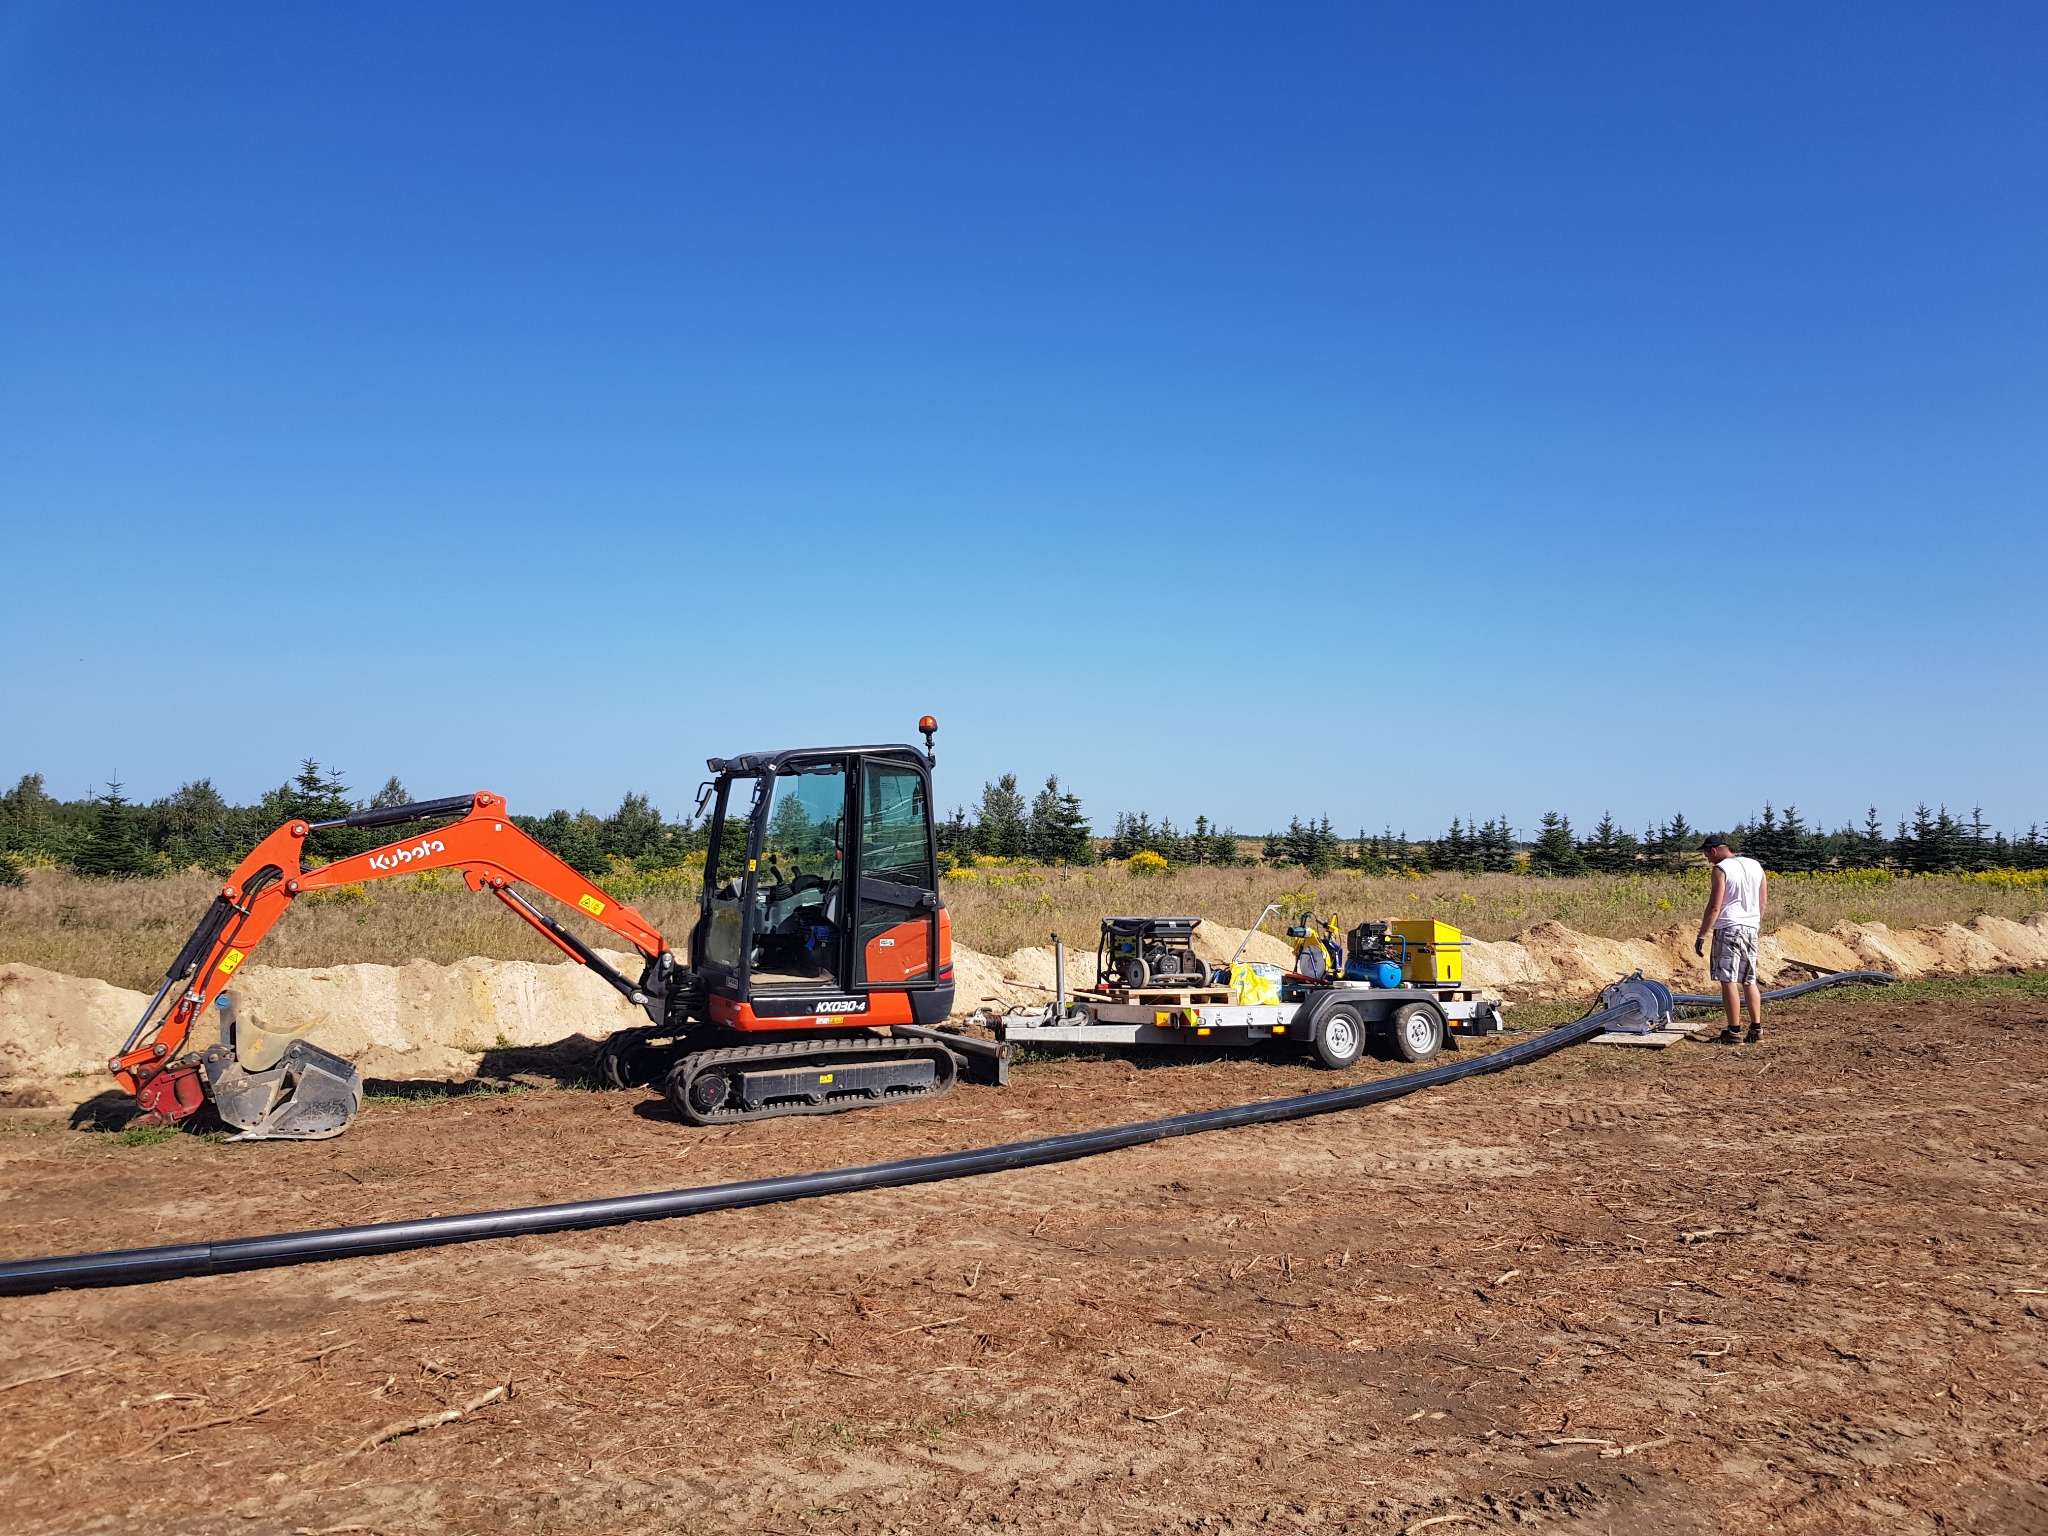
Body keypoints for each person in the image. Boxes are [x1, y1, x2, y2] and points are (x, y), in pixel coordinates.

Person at [1694, 835, 1767, 1043]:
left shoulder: (1721, 869)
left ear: (1714, 851)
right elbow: (1763, 904)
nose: (1707, 859)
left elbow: (1715, 906)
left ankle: (1733, 1031)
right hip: (1752, 928)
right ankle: (1756, 1029)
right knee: (1749, 979)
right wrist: (1753, 923)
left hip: (1729, 928)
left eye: (1707, 855)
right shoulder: (1756, 866)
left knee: (1728, 979)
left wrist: (1702, 934)